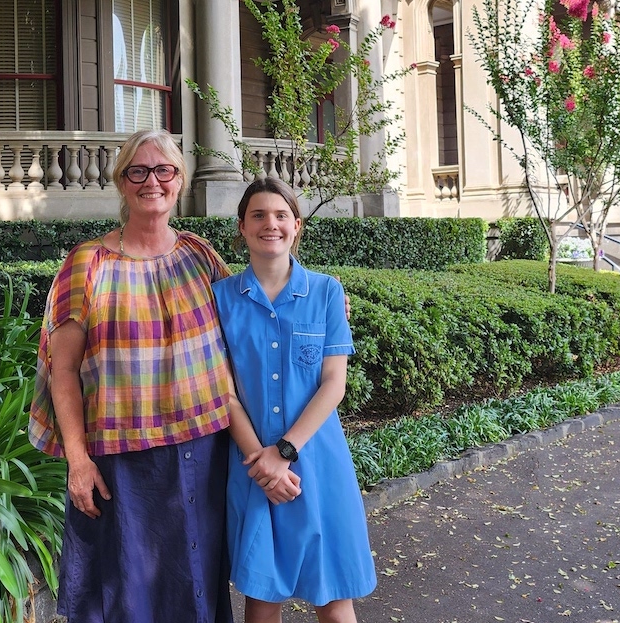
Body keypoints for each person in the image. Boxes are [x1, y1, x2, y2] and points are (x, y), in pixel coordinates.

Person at [28, 129, 235, 622]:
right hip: (119, 461)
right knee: (124, 595)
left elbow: (249, 325)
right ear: (122, 182)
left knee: (197, 584)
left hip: (201, 451)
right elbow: (63, 371)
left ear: (179, 180)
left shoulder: (200, 256)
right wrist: (77, 460)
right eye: (138, 171)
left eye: (164, 170)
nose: (152, 182)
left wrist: (320, 313)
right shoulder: (87, 263)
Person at [212, 178, 377, 623]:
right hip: (253, 467)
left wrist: (284, 454)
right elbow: (222, 391)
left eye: (281, 215)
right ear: (242, 228)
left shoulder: (325, 293)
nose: (271, 224)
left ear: (297, 226)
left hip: (317, 463)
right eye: (259, 215)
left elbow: (333, 384)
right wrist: (261, 463)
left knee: (332, 593)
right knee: (262, 595)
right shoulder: (221, 299)